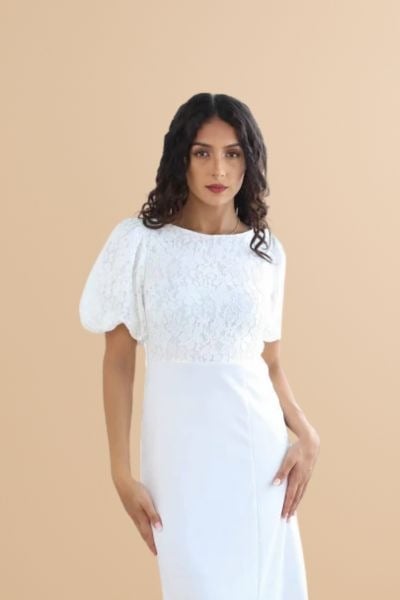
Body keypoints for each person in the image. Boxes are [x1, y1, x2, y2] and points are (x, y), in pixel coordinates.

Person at [79, 92, 320, 599]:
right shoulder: (139, 244)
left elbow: (270, 363)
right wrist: (120, 472)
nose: (219, 169)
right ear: (181, 158)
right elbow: (118, 361)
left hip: (258, 459)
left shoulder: (266, 252)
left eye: (233, 153)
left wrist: (306, 432)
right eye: (202, 152)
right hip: (179, 459)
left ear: (249, 162)